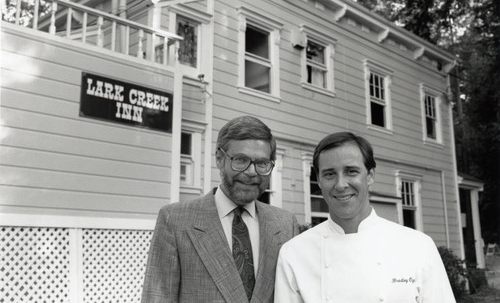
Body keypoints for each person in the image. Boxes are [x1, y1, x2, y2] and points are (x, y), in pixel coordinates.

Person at [275, 132, 455, 303]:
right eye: (329, 174)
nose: (340, 185)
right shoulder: (294, 253)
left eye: (351, 171)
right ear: (319, 180)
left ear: (370, 176)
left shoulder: (418, 246)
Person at [141, 115, 299, 303]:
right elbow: (158, 298)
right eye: (240, 160)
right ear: (219, 159)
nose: (251, 172)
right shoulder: (175, 220)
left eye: (262, 163)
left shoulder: (285, 224)